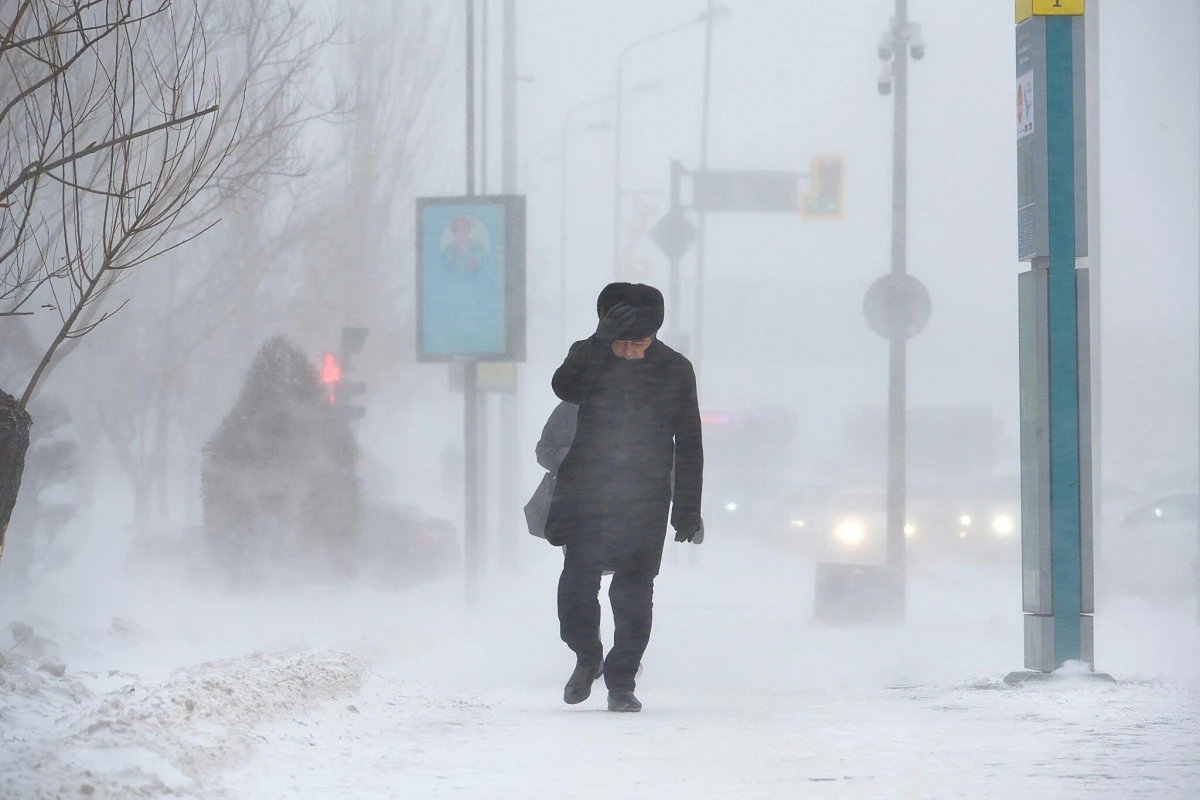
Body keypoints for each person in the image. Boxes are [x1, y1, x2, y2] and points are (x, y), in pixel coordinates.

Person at [545, 282, 704, 713]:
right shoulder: (592, 354)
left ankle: (621, 682)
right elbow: (565, 388)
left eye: (640, 344)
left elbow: (689, 441)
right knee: (577, 586)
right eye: (622, 343)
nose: (630, 351)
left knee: (633, 595)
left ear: (654, 338)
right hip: (586, 491)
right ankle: (586, 655)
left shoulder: (674, 369)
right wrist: (599, 344)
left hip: (645, 495)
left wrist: (688, 509)